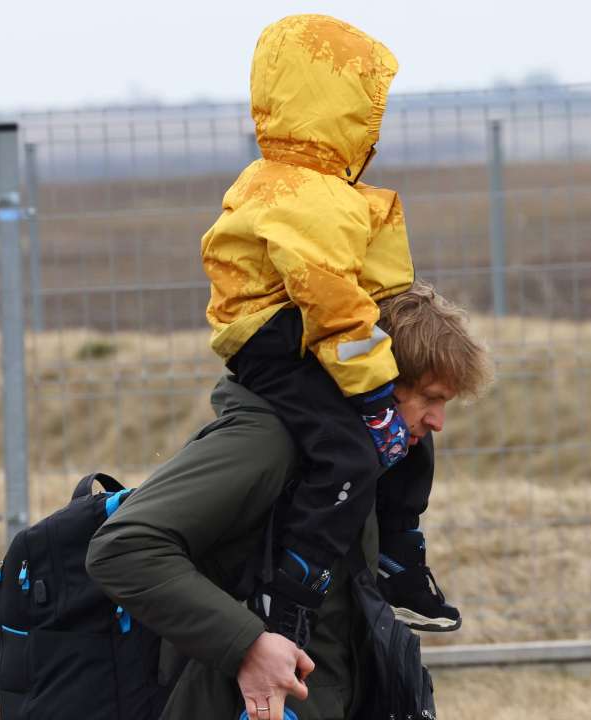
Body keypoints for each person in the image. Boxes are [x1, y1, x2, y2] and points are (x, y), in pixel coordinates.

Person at [86, 285, 491, 720]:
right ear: (374, 380)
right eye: (430, 397)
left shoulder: (352, 460)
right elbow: (123, 548)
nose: (438, 422)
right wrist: (248, 645)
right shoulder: (266, 443)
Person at [199, 14, 461, 643]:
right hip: (270, 337)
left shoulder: (335, 193)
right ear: (335, 109)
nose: (376, 128)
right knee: (347, 454)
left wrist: (406, 358)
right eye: (369, 110)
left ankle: (398, 554)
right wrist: (374, 396)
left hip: (317, 333)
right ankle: (290, 592)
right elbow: (330, 299)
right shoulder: (297, 193)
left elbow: (376, 288)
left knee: (411, 436)